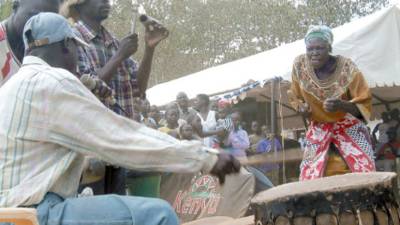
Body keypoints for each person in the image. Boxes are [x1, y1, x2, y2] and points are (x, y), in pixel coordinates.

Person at [0, 13, 240, 225]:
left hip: (9, 212)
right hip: (37, 212)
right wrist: (204, 158)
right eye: (76, 49)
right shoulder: (54, 83)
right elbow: (122, 137)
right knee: (159, 214)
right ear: (66, 45)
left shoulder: (9, 89)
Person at [61, 0, 169, 195]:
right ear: (79, 6)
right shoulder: (71, 38)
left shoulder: (113, 41)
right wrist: (119, 56)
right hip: (91, 148)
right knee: (94, 210)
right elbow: (84, 88)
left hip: (120, 145)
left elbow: (139, 87)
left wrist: (149, 48)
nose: (106, 2)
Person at [289, 25, 375, 180]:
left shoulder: (348, 68)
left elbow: (365, 105)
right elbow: (295, 97)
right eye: (310, 49)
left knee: (365, 171)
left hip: (348, 126)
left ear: (329, 47)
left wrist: (341, 105)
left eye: (319, 48)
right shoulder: (299, 65)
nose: (314, 53)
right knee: (308, 177)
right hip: (318, 129)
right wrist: (301, 108)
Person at [0, 0, 62, 86]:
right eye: (34, 17)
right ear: (15, 7)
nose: (42, 27)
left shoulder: (50, 49)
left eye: (50, 21)